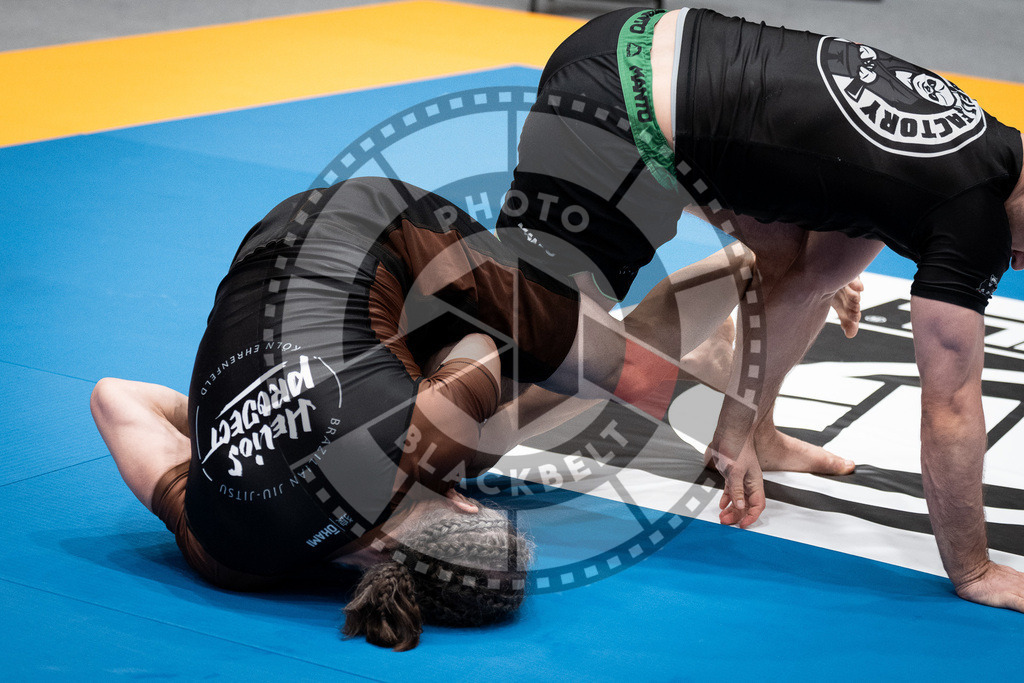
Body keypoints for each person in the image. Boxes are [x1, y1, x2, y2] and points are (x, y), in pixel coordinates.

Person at [495, 7, 1024, 611]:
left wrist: (738, 430)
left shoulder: (976, 150)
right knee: (537, 357)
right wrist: (973, 569)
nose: (1020, 267)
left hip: (646, 45)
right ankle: (416, 462)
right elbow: (951, 407)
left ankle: (753, 427)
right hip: (618, 107)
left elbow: (810, 281)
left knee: (791, 260)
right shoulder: (971, 221)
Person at [91, 176, 753, 650]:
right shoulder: (227, 554)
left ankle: (745, 268)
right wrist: (235, 431)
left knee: (606, 369)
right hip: (255, 254)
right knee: (499, 417)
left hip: (373, 223)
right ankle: (711, 324)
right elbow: (114, 397)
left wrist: (446, 427)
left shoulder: (426, 434)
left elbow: (482, 348)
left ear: (462, 506)